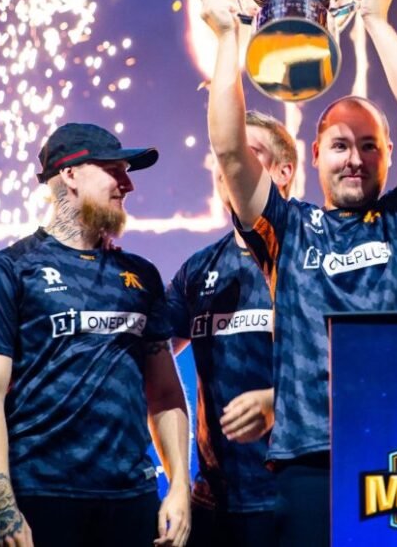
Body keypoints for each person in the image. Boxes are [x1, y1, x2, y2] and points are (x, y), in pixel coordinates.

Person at [204, 0, 397, 547]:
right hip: (310, 456)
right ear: (315, 154)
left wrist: (377, 20)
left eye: (369, 145)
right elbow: (231, 150)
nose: (355, 159)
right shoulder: (287, 230)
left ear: (388, 154)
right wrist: (227, 41)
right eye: (340, 145)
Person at [0, 122, 191, 547]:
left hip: (131, 498)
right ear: (70, 174)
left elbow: (164, 393)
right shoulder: (8, 270)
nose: (128, 184)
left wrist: (179, 486)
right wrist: (2, 507)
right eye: (114, 170)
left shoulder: (142, 276)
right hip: (42, 497)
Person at [166, 111, 297, 547]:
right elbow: (149, 353)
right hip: (214, 504)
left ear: (283, 172)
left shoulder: (312, 257)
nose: (230, 166)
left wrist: (278, 401)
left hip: (292, 497)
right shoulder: (198, 268)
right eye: (224, 157)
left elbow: (360, 375)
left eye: (247, 154)